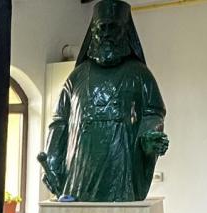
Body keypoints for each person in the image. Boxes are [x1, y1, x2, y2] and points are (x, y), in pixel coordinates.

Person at [39, 0, 167, 201]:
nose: (107, 34)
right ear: (94, 33)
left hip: (121, 175)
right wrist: (53, 162)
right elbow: (60, 122)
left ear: (125, 32)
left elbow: (153, 114)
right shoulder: (76, 77)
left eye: (113, 27)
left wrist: (150, 137)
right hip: (79, 176)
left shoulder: (140, 74)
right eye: (102, 28)